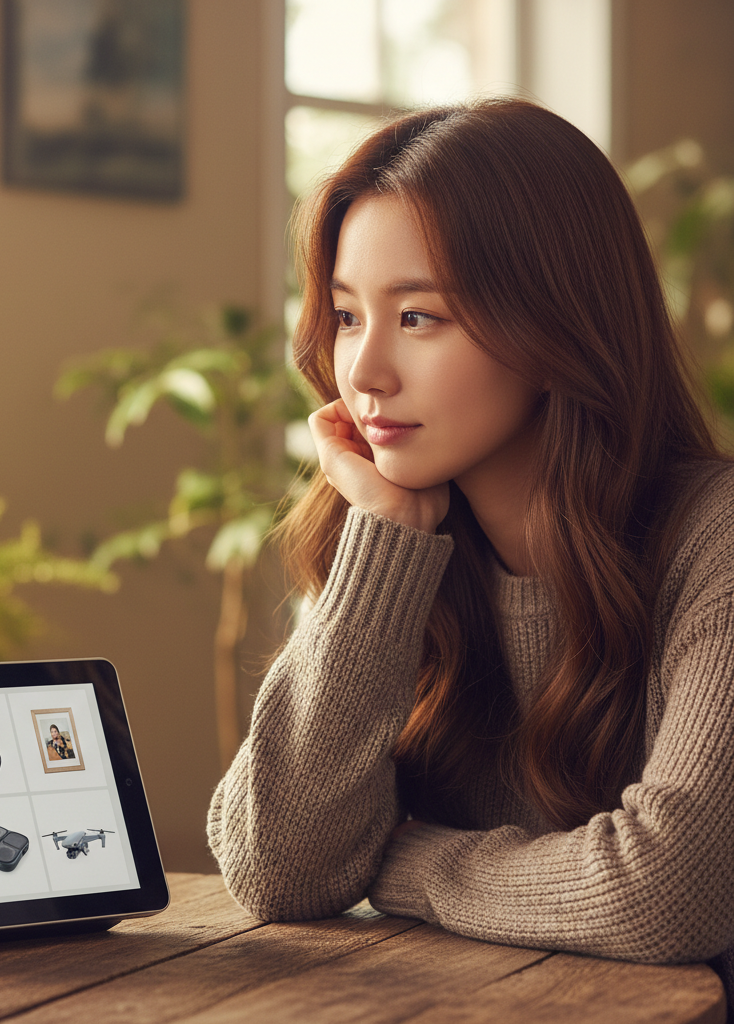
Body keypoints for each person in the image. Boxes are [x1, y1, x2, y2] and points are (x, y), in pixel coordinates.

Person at [207, 98, 734, 999]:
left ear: (555, 322)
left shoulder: (712, 540)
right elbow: (276, 870)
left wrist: (402, 863)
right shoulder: (393, 545)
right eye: (344, 316)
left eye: (418, 318)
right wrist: (382, 549)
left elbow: (667, 891)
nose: (365, 372)